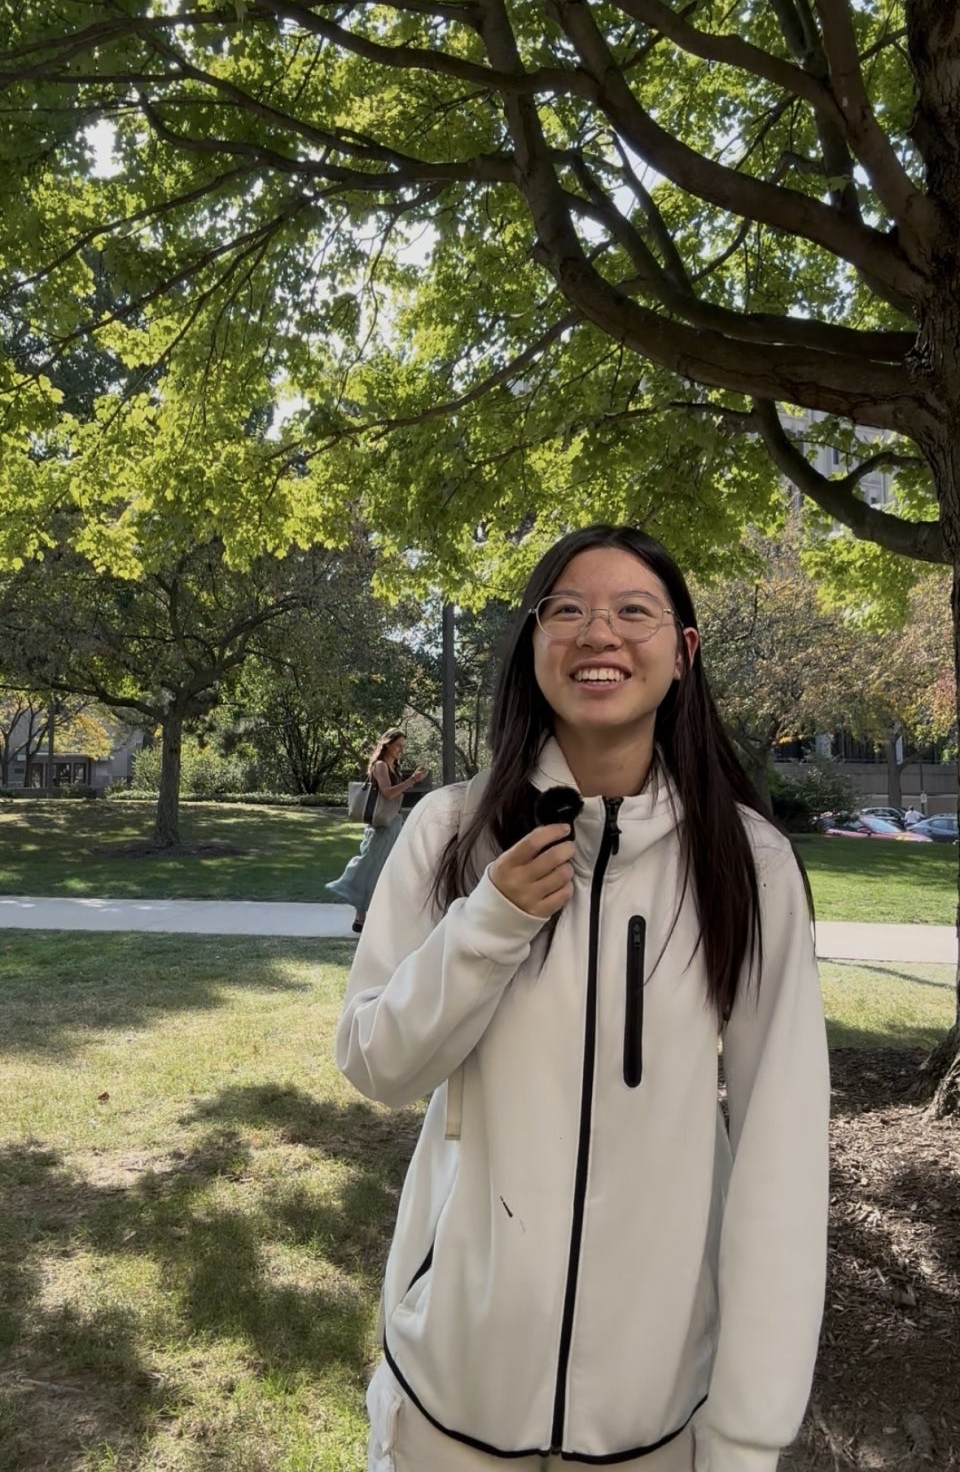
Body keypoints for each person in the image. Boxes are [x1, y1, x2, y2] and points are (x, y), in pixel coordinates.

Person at [336, 526, 830, 1472]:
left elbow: (782, 1149)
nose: (599, 633)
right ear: (531, 646)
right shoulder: (450, 831)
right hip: (450, 1401)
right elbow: (376, 1065)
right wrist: (487, 926)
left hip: (656, 1419)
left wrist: (746, 1433)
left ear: (683, 652)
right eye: (566, 610)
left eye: (633, 611)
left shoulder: (749, 864)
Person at [327, 729, 427, 933]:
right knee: (370, 867)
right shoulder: (380, 765)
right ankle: (361, 916)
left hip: (393, 824)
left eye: (403, 746)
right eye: (398, 745)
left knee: (386, 869)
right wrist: (412, 781)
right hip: (381, 827)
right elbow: (388, 793)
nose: (401, 749)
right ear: (387, 744)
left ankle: (368, 918)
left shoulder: (392, 765)